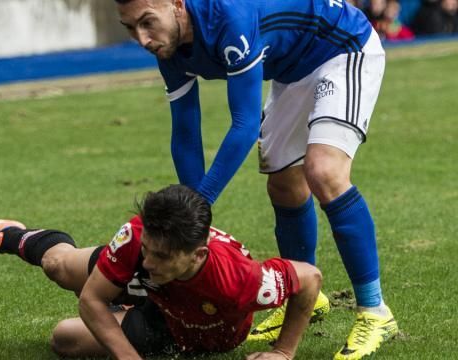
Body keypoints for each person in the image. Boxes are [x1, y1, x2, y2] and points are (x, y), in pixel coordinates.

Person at [112, 0, 398, 359]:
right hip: (291, 70)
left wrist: (199, 205)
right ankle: (307, 297)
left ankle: (375, 311)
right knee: (282, 183)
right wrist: (192, 219)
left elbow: (244, 126)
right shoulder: (166, 42)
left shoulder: (229, 17)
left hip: (343, 47)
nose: (142, 38)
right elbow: (186, 131)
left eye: (147, 22)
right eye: (130, 28)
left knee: (324, 172)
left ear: (177, 5)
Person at [0, 185, 321, 359]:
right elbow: (91, 298)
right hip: (160, 294)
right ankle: (10, 236)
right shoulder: (140, 239)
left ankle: (128, 320)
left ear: (197, 254)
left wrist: (283, 352)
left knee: (63, 339)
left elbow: (310, 279)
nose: (149, 263)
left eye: (162, 257)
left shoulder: (242, 281)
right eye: (148, 251)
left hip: (185, 331)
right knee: (57, 266)